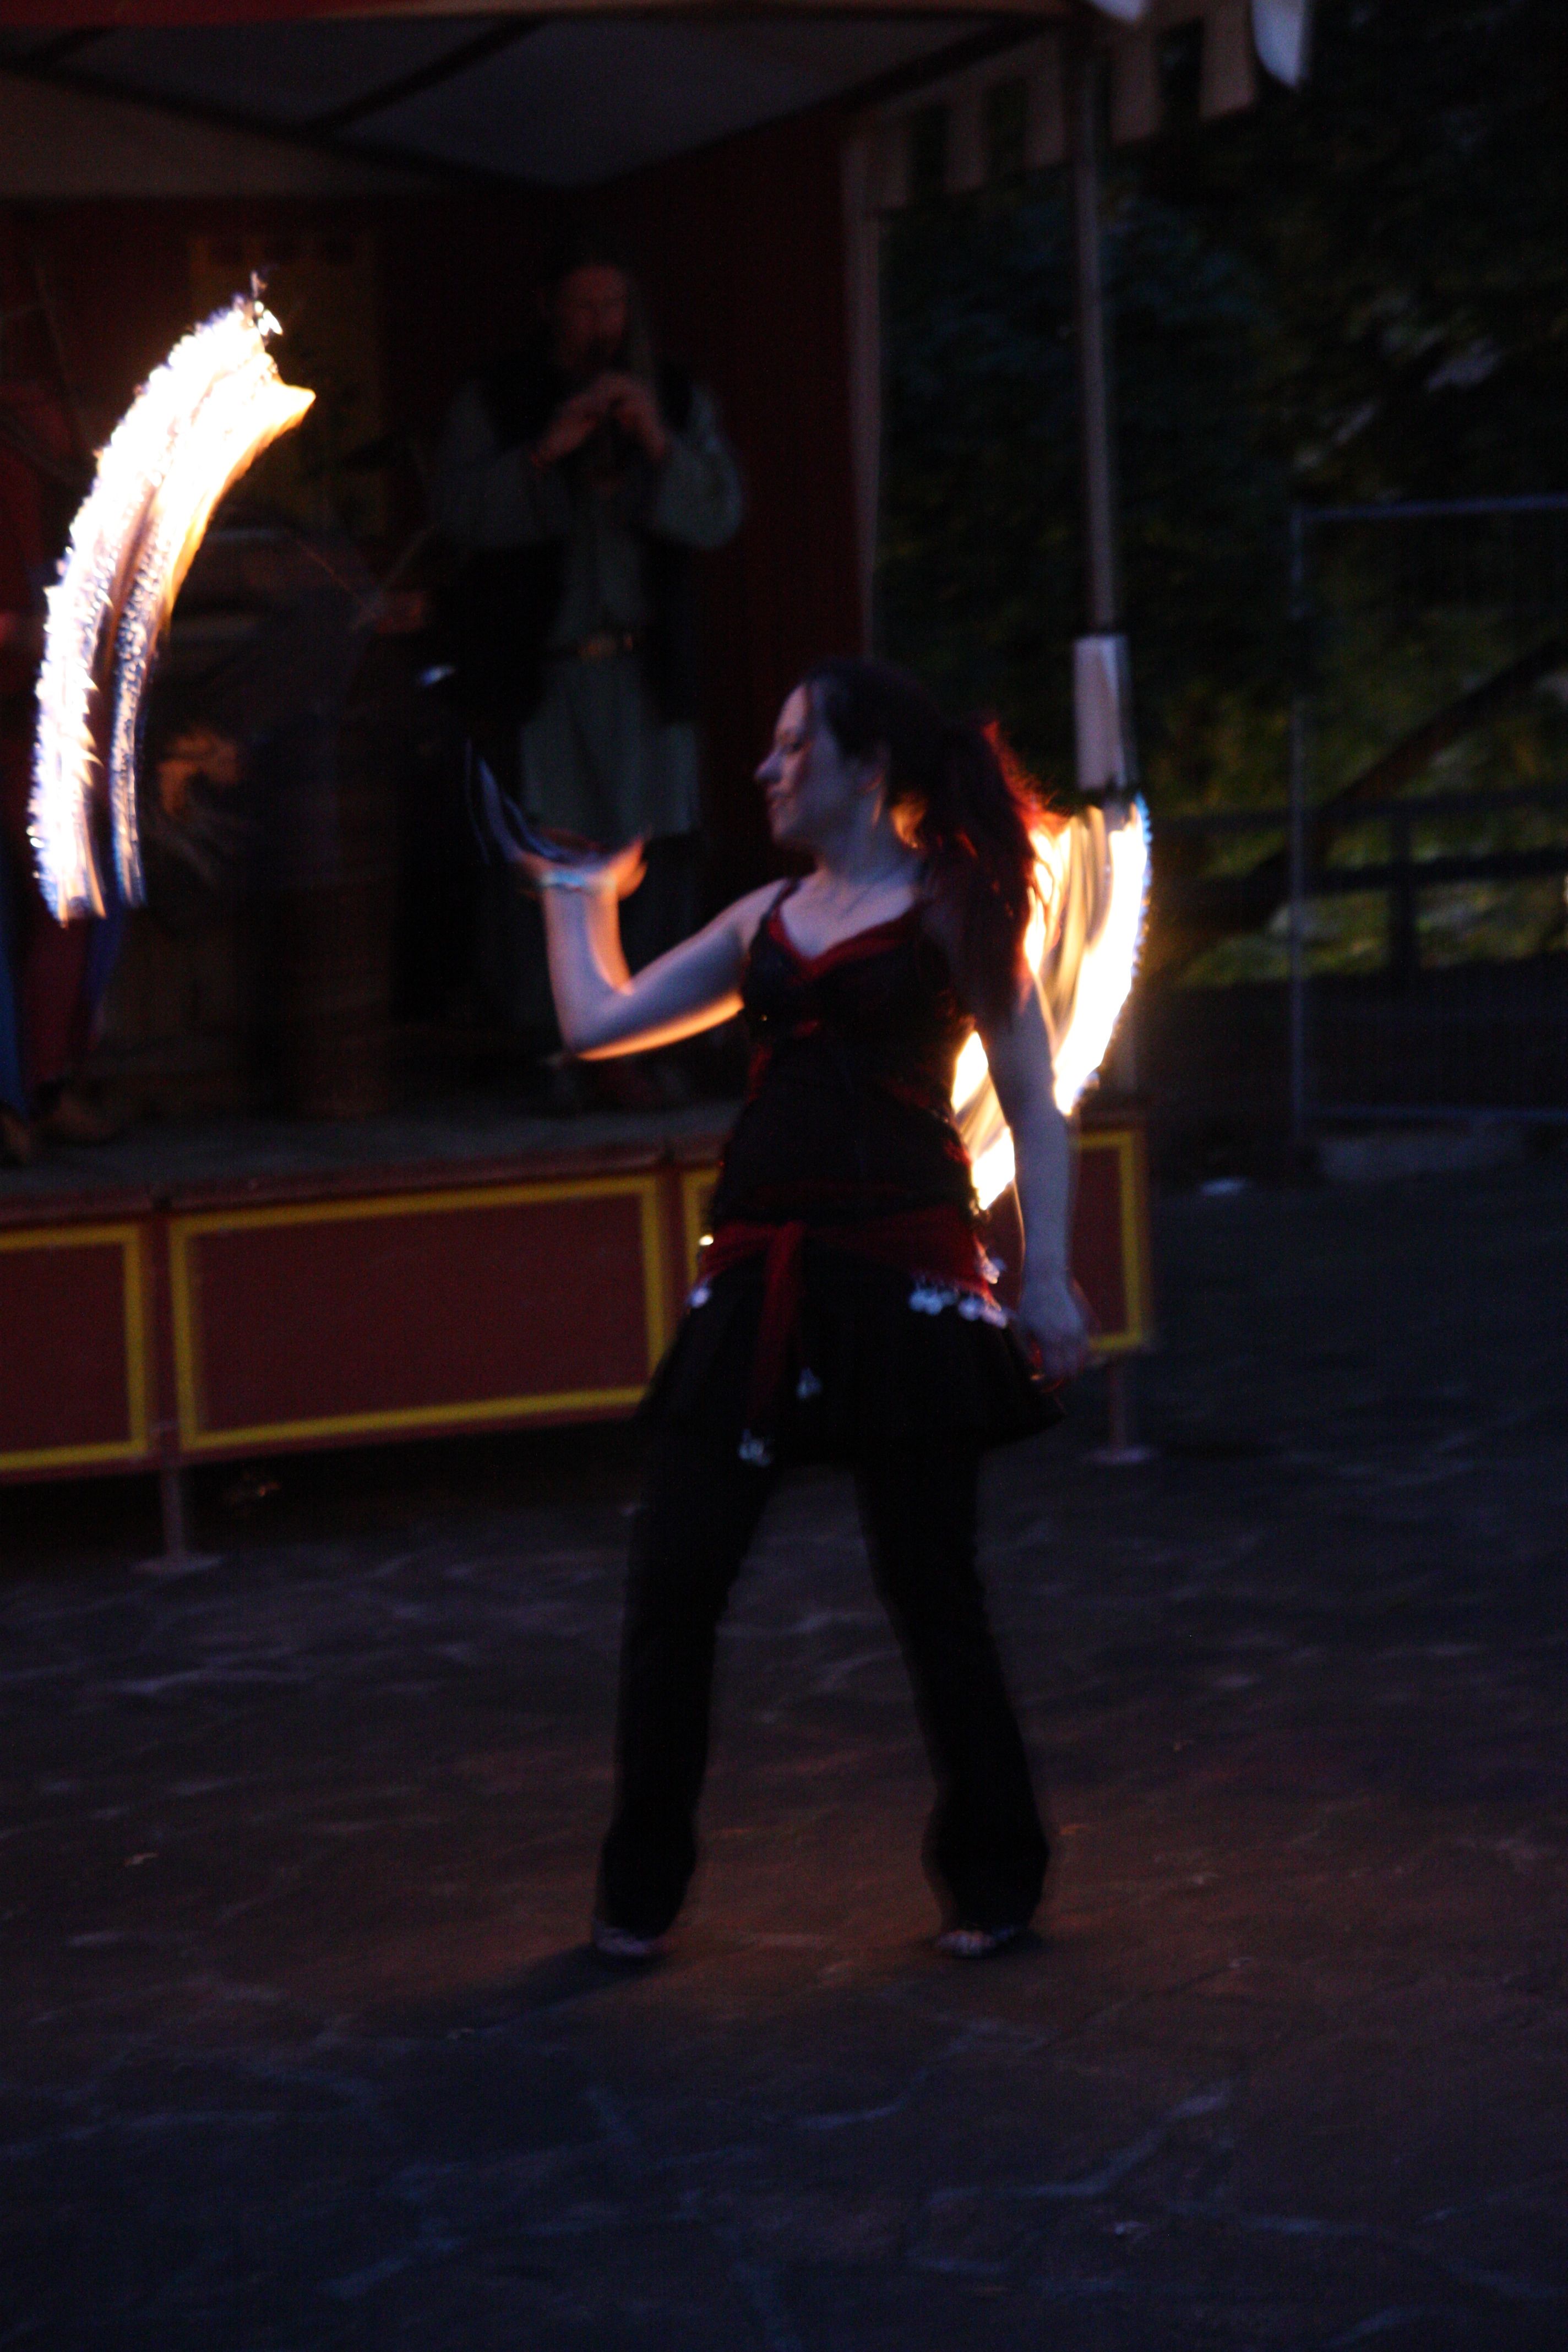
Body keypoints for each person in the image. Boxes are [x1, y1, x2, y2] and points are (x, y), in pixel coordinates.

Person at [516, 656, 1090, 1962]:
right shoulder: (762, 922)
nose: (766, 769)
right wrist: (572, 898)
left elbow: (1033, 1101)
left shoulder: (951, 910)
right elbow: (600, 1022)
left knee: (930, 1589)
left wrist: (1045, 1275)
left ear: (865, 765)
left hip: (902, 1284)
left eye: (792, 746)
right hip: (759, 1280)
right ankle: (637, 1893)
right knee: (673, 1582)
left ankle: (996, 1879)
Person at [433, 238, 743, 1048]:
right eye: (585, 306)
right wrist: (544, 452)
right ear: (550, 309)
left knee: (657, 853)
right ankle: (557, 1045)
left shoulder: (672, 393)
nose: (602, 323)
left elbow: (720, 514)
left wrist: (658, 442)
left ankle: (655, 1034)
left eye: (615, 306)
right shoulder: (496, 398)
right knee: (554, 861)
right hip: (546, 676)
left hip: (646, 671)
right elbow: (457, 515)